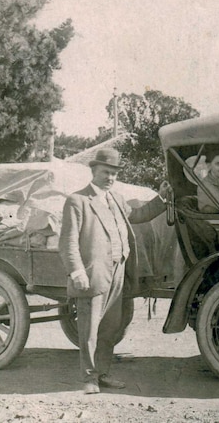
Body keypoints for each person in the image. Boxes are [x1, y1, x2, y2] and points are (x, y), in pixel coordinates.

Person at [58, 148, 170, 395]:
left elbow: (139, 215)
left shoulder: (116, 199)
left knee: (111, 327)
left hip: (118, 271)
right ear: (94, 171)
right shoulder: (78, 201)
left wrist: (161, 199)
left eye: (114, 174)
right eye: (105, 172)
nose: (110, 178)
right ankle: (89, 379)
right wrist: (77, 271)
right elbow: (67, 241)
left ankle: (103, 373)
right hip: (93, 273)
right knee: (89, 329)